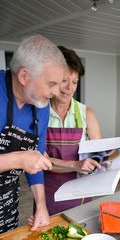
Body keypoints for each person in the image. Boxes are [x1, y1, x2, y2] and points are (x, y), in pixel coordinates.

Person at [0, 34, 66, 240]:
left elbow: (35, 160)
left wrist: (41, 205)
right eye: (52, 84)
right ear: (24, 76)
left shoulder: (41, 105)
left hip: (6, 207)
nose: (57, 92)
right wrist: (18, 159)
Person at [44, 46, 102, 215]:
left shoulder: (87, 114)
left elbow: (99, 155)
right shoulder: (38, 113)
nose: (69, 88)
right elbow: (41, 160)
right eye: (64, 80)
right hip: (48, 189)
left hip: (80, 188)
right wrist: (75, 165)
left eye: (75, 82)